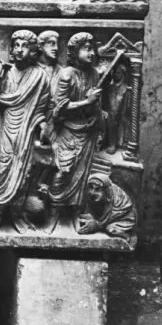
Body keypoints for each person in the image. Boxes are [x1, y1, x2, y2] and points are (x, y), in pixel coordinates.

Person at [0, 30, 51, 234]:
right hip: (5, 129)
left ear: (33, 51)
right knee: (1, 170)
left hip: (27, 131)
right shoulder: (6, 71)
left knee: (24, 175)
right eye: (16, 46)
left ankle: (16, 215)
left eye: (25, 46)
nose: (20, 50)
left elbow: (42, 107)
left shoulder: (40, 76)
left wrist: (42, 124)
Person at [45, 32, 105, 235]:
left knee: (82, 177)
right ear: (74, 51)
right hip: (68, 132)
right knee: (63, 173)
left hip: (87, 133)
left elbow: (96, 105)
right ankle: (53, 214)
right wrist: (86, 101)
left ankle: (73, 214)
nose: (92, 53)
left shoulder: (94, 74)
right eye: (87, 49)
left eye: (92, 48)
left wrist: (95, 116)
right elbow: (59, 109)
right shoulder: (67, 74)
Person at [77, 174, 136, 238]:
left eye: (97, 189)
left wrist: (97, 224)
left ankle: (125, 236)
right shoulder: (94, 195)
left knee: (110, 229)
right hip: (104, 218)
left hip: (122, 219)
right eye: (91, 188)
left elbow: (112, 216)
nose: (92, 192)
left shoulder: (113, 198)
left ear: (106, 190)